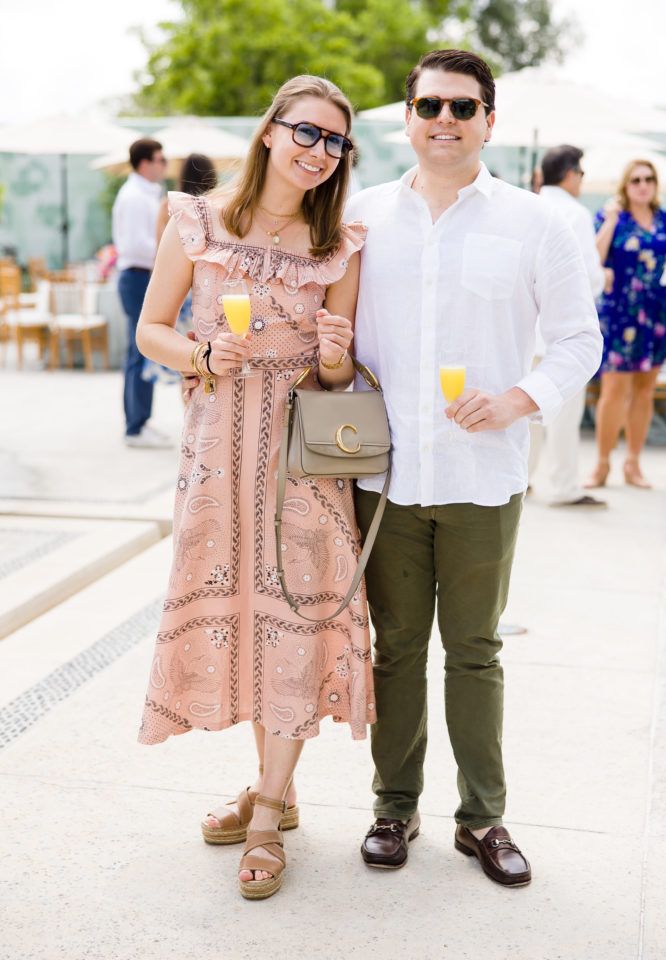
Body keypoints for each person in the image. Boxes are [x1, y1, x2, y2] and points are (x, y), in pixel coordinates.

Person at [345, 49, 602, 887]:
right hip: (383, 474)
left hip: (484, 472)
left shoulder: (536, 222)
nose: (444, 121)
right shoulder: (362, 215)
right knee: (394, 650)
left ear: (488, 119)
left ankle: (481, 817)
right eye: (429, 106)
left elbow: (575, 342)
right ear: (407, 117)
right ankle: (394, 805)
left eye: (462, 108)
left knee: (475, 651)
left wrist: (518, 399)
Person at [136, 75, 375, 900]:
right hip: (215, 454)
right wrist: (202, 356)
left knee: (296, 621)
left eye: (335, 142)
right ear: (270, 131)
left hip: (303, 461)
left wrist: (338, 353)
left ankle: (268, 812)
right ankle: (276, 788)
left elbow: (335, 379)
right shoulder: (195, 220)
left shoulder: (339, 243)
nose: (319, 152)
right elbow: (151, 330)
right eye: (306, 133)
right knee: (241, 614)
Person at [585, 159, 666, 489]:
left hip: (659, 314)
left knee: (644, 391)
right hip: (621, 314)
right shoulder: (612, 217)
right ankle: (601, 465)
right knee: (613, 390)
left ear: (655, 184)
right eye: (636, 180)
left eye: (649, 179)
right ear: (625, 186)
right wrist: (610, 221)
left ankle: (633, 464)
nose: (643, 184)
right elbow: (594, 260)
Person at [527, 145, 607, 507]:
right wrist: (605, 278)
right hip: (562, 334)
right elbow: (587, 277)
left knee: (522, 412)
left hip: (525, 331)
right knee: (563, 414)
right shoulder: (575, 213)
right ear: (572, 174)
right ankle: (563, 486)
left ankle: (521, 480)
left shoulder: (525, 207)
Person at [113, 138, 170, 447]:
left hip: (140, 276)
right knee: (141, 351)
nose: (165, 164)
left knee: (141, 352)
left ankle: (138, 422)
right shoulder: (135, 196)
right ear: (145, 162)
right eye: (161, 159)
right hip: (137, 277)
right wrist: (171, 251)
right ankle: (135, 426)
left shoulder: (145, 193)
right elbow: (135, 245)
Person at [142, 154, 218, 387]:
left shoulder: (168, 207)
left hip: (179, 295)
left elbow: (159, 255)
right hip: (207, 292)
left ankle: (188, 411)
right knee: (209, 360)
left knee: (185, 362)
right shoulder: (216, 209)